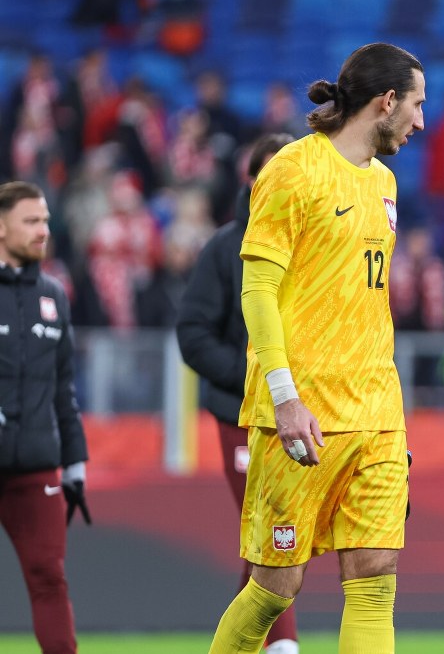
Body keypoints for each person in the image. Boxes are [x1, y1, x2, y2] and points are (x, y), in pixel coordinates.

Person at [206, 42, 425, 654]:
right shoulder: (292, 170)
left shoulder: (385, 182)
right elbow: (258, 289)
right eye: (416, 104)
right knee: (275, 587)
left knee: (375, 576)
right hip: (301, 412)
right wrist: (283, 396)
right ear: (386, 103)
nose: (420, 120)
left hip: (377, 412)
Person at [177, 133, 297, 654]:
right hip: (244, 415)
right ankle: (283, 646)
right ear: (251, 182)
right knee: (272, 529)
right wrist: (257, 378)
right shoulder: (225, 248)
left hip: (307, 411)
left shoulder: (313, 243)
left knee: (273, 534)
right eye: (272, 174)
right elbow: (193, 333)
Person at [0, 180, 90, 654]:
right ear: (1, 226)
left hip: (36, 465)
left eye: (46, 221)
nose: (43, 231)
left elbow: (63, 387)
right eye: (31, 221)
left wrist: (75, 463)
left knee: (49, 578)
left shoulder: (53, 294)